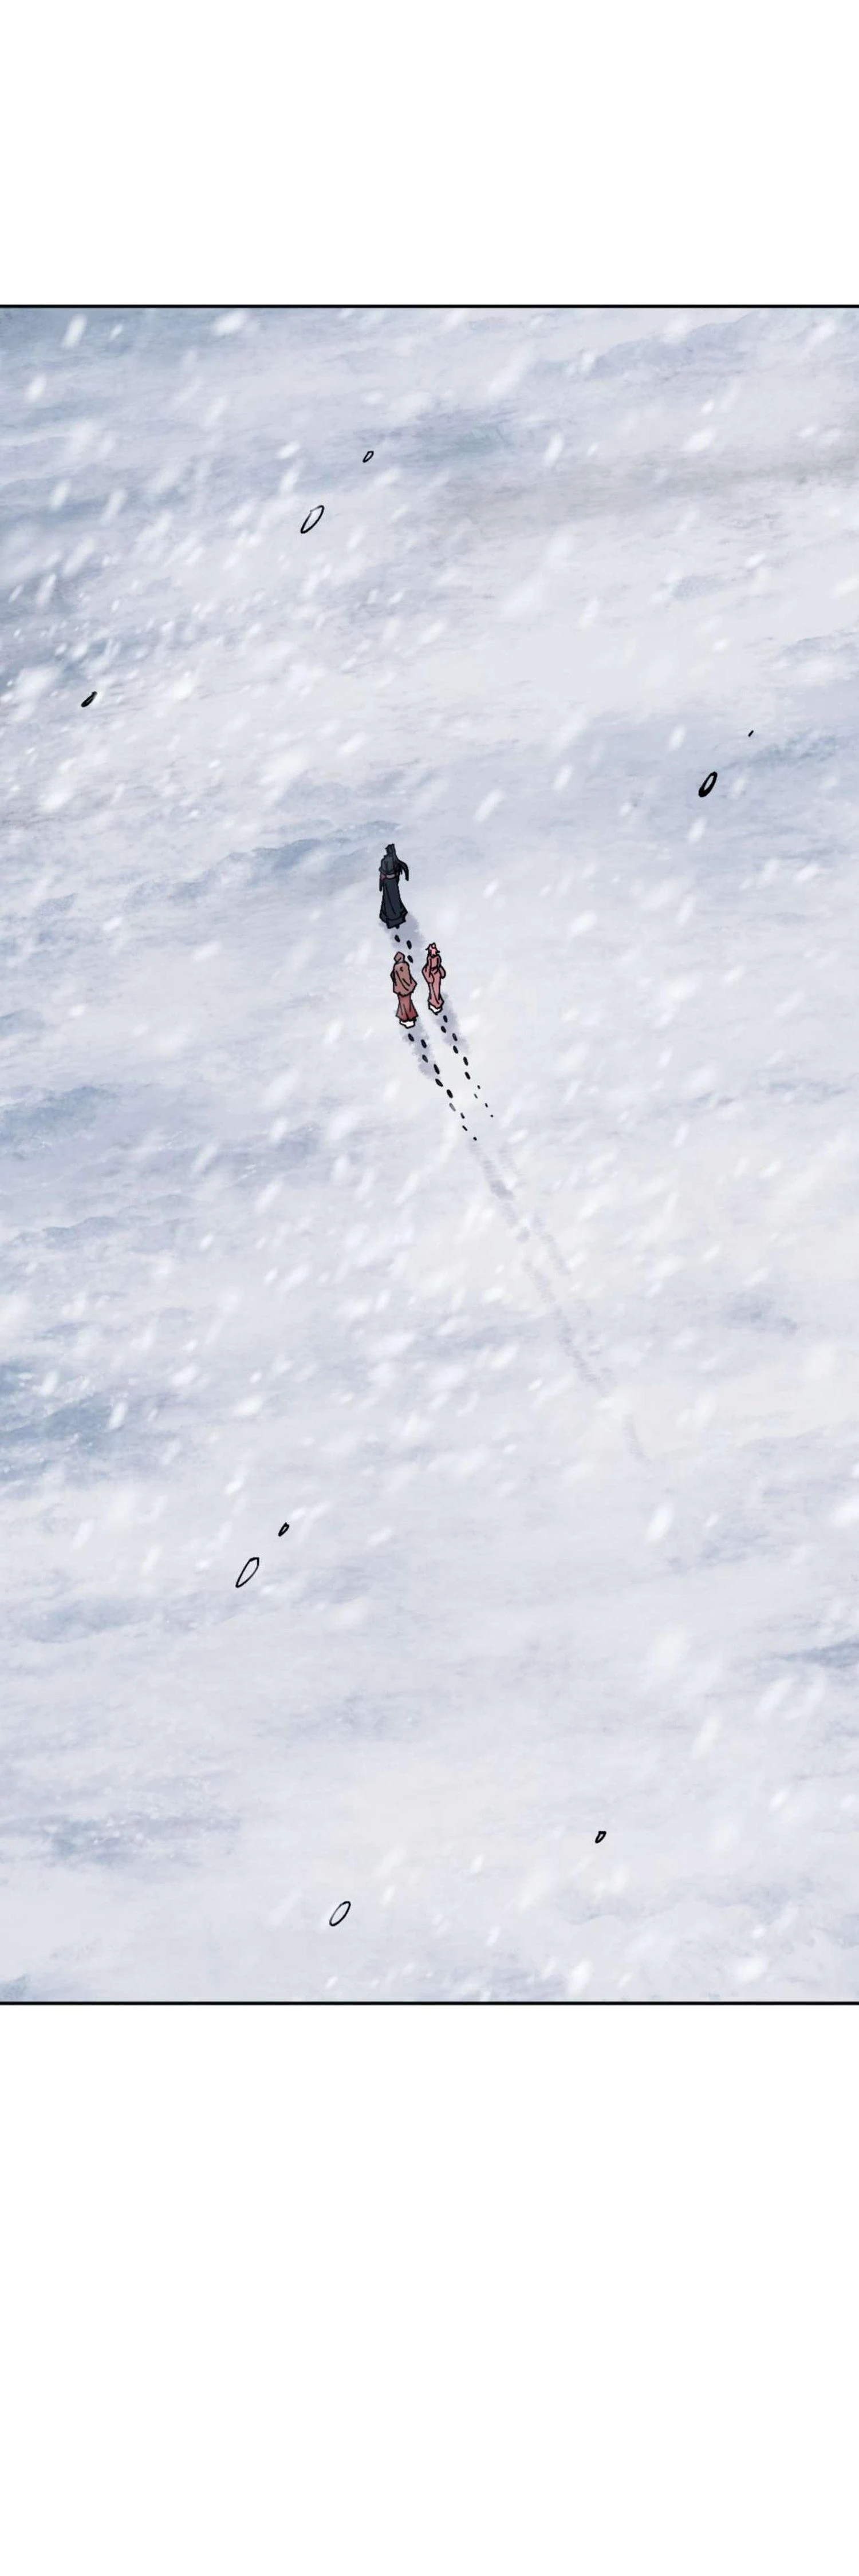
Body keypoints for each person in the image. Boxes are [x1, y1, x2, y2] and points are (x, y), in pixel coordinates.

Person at [379, 841, 409, 927]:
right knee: (395, 899)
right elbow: (404, 868)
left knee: (389, 901)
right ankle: (399, 918)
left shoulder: (385, 861)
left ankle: (394, 920)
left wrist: (380, 885)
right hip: (394, 883)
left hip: (388, 883)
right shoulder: (395, 860)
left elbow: (383, 875)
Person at [391, 951, 417, 1025]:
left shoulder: (396, 967)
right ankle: (408, 1018)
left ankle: (406, 1018)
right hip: (406, 989)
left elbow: (392, 975)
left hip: (400, 990)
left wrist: (397, 984)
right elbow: (407, 977)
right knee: (407, 1003)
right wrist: (410, 985)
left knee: (403, 1003)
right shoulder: (404, 965)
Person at [421, 941, 446, 1014]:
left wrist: (441, 972)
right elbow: (429, 967)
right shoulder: (429, 958)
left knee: (437, 990)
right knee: (432, 990)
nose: (433, 950)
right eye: (432, 949)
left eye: (434, 949)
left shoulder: (438, 957)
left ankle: (438, 1003)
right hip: (432, 975)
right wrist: (429, 976)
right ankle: (433, 1003)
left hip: (437, 975)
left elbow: (439, 966)